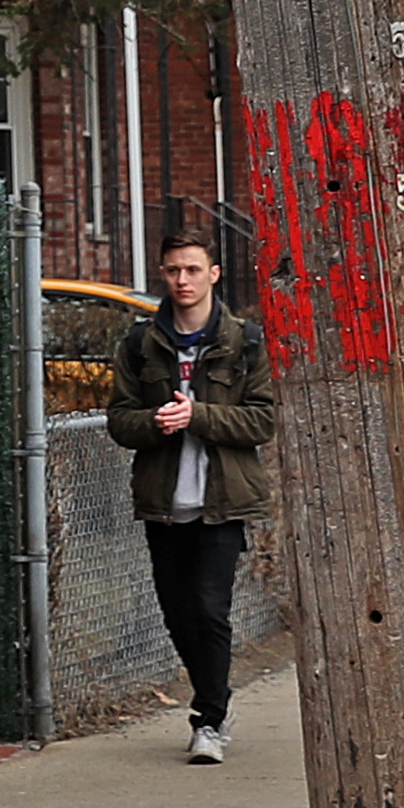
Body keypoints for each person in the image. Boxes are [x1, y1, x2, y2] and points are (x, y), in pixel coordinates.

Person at [107, 233, 275, 762]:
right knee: (178, 613)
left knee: (209, 608)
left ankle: (210, 718)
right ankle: (211, 699)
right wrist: (157, 423)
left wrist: (198, 416)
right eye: (174, 270)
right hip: (163, 503)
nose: (183, 280)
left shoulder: (244, 341)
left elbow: (263, 419)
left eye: (193, 270)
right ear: (163, 274)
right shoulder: (141, 345)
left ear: (214, 273)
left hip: (222, 501)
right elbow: (118, 419)